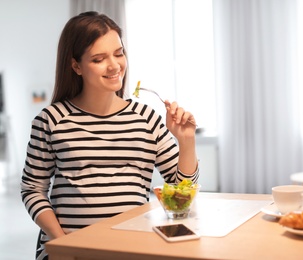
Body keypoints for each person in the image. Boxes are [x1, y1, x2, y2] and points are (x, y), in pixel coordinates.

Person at [20, 11, 199, 260]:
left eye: (119, 53)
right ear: (75, 66)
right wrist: (63, 244)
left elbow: (181, 194)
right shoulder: (51, 120)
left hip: (131, 248)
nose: (115, 65)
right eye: (99, 59)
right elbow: (32, 189)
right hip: (69, 250)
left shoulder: (146, 118)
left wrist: (186, 140)